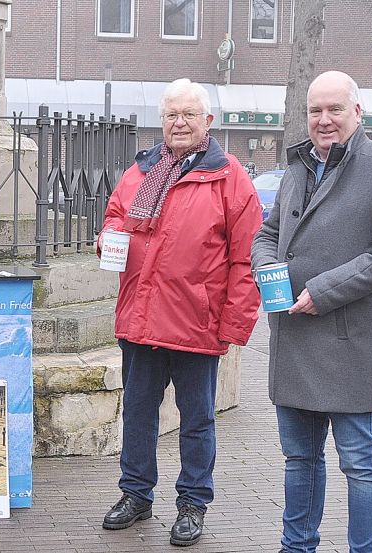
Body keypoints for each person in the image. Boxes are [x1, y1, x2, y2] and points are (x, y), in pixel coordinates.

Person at [252, 71, 372, 553]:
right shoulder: (298, 168)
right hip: (294, 340)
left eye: (334, 110)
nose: (323, 120)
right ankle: (296, 547)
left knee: (362, 463)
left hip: (352, 342)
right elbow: (267, 234)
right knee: (299, 461)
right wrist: (269, 270)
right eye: (315, 111)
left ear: (357, 112)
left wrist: (323, 290)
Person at [97, 78, 261, 547]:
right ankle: (136, 494)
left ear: (208, 121)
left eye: (189, 115)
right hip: (142, 319)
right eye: (172, 115)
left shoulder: (230, 178)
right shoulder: (139, 172)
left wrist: (232, 325)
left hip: (196, 324)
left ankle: (192, 503)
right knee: (138, 416)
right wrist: (108, 235)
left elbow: (246, 258)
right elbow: (116, 215)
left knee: (197, 422)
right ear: (161, 120)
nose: (180, 123)